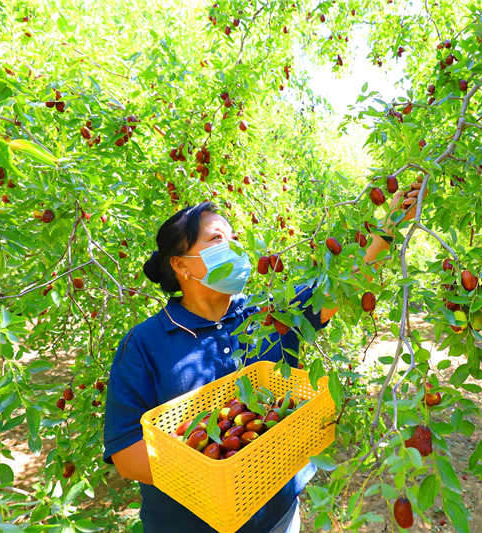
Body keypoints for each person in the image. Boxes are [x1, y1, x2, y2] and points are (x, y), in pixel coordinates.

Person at [102, 178, 424, 533]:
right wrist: (220, 475)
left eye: (234, 238)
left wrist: (391, 225)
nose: (234, 247)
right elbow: (128, 456)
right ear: (182, 265)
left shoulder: (272, 315)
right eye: (216, 240)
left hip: (278, 520)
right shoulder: (145, 343)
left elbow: (346, 284)